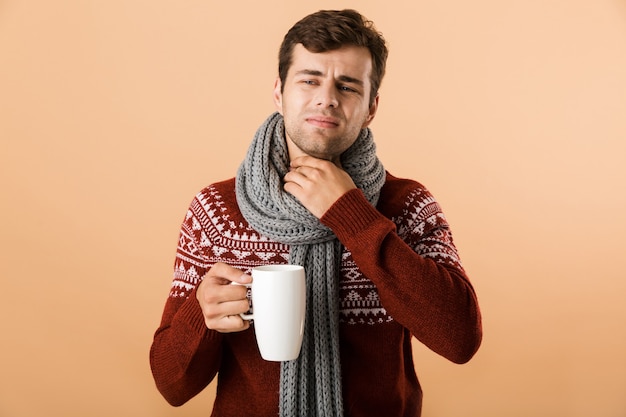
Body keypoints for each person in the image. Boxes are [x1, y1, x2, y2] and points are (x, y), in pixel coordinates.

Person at [150, 9, 482, 417]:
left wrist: (350, 213)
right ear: (279, 92)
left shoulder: (407, 206)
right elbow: (171, 386)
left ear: (371, 107)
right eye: (309, 80)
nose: (327, 98)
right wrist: (200, 316)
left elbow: (460, 339)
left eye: (347, 86)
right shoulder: (216, 210)